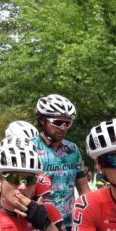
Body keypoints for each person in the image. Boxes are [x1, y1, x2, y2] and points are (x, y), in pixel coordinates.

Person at [31, 94, 90, 223]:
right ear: (42, 120)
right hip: (42, 223)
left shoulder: (73, 149)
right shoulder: (29, 147)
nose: (63, 127)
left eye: (67, 123)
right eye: (58, 122)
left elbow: (84, 188)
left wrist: (93, 214)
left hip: (70, 222)